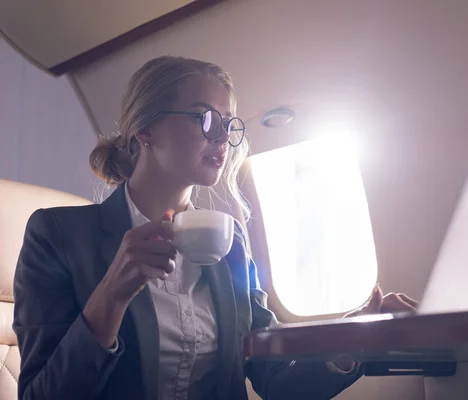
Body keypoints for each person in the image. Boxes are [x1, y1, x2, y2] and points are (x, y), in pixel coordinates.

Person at [13, 56, 417, 400]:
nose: (224, 137)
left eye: (229, 123)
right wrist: (112, 294)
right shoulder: (59, 235)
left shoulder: (231, 240)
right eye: (205, 119)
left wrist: (359, 338)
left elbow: (275, 378)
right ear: (146, 129)